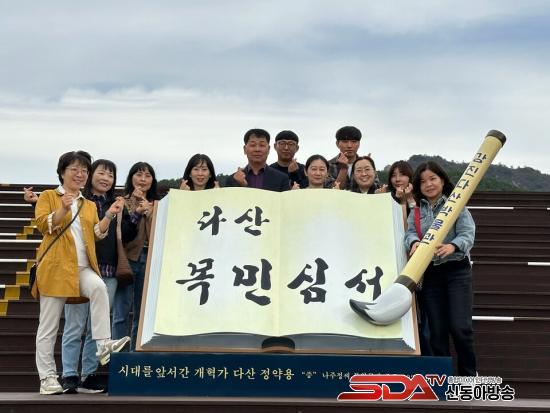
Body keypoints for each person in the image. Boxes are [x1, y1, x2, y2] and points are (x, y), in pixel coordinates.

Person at [32, 151, 130, 395]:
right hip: (56, 269)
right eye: (74, 169)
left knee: (98, 288)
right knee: (48, 327)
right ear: (62, 172)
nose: (80, 174)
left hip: (83, 267)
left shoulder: (88, 204)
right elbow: (44, 225)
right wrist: (63, 209)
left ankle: (103, 344)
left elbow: (97, 233)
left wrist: (110, 214)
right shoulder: (48, 196)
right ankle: (47, 378)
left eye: (84, 170)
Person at [61, 159, 138, 394]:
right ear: (91, 175)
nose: (106, 179)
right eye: (102, 173)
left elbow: (126, 235)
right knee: (75, 324)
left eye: (111, 175)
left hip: (108, 271)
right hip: (80, 269)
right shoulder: (79, 200)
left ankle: (88, 374)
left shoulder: (116, 203)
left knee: (98, 328)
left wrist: (130, 215)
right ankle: (69, 374)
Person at [404, 161, 476, 376]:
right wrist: (413, 242)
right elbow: (409, 233)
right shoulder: (416, 211)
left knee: (460, 328)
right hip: (430, 275)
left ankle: (468, 377)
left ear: (442, 180)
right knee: (436, 332)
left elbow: (467, 234)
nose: (428, 184)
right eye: (423, 181)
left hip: (457, 271)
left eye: (433, 179)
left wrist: (453, 246)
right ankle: (443, 380)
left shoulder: (456, 205)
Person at [112, 162, 160, 351]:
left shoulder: (158, 204)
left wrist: (149, 211)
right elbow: (123, 231)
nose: (143, 179)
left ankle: (136, 353)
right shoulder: (122, 201)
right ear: (131, 177)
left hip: (150, 260)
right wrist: (135, 206)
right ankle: (119, 355)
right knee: (121, 312)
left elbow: (160, 230)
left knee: (142, 314)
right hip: (127, 260)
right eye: (139, 175)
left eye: (147, 176)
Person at [225, 129, 290, 192]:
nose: (257, 149)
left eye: (262, 145)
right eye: (252, 145)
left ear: (268, 149)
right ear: (245, 149)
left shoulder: (282, 178)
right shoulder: (233, 180)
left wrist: (245, 186)